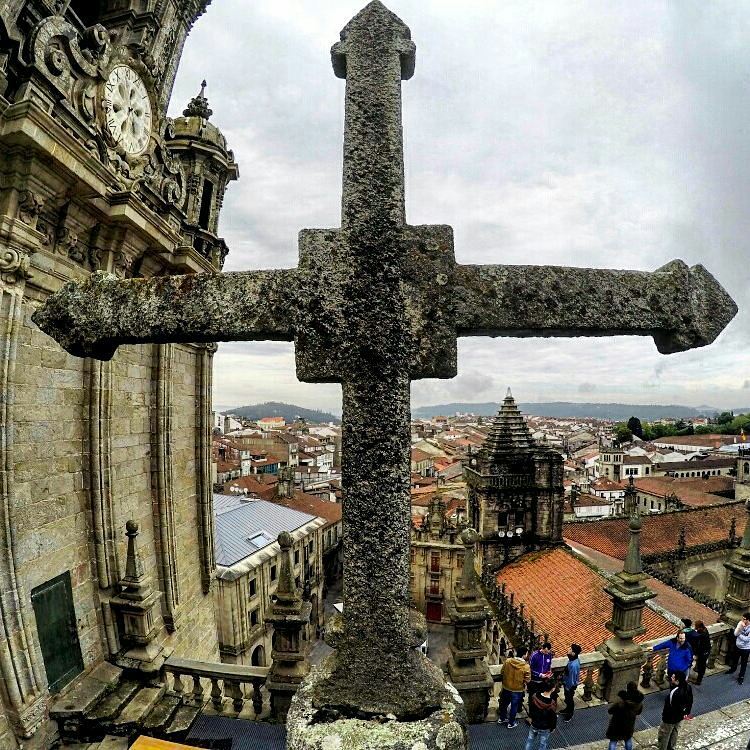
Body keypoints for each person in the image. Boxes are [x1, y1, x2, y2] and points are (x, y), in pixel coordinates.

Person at [658, 670, 693, 750]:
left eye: (673, 677)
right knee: (675, 732)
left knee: (664, 734)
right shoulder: (688, 687)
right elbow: (690, 701)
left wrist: (664, 717)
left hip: (670, 718)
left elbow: (669, 706)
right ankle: (671, 747)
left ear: (677, 681)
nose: (671, 678)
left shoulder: (675, 693)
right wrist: (686, 713)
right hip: (680, 716)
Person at [498, 644, 531, 729]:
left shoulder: (508, 661)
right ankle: (511, 723)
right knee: (514, 706)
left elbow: (502, 672)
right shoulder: (525, 666)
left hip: (506, 687)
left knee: (504, 704)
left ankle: (502, 718)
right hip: (517, 689)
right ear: (524, 655)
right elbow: (528, 680)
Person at [605, 681, 644, 750]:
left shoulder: (620, 702)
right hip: (629, 724)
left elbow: (610, 711)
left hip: (617, 724)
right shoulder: (638, 702)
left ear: (627, 689)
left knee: (613, 741)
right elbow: (638, 712)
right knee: (628, 739)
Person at [524, 678, 557, 750]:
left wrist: (531, 718)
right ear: (553, 689)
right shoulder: (551, 704)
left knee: (530, 741)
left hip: (534, 724)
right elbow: (553, 718)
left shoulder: (535, 696)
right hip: (545, 727)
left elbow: (531, 709)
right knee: (542, 744)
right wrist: (553, 727)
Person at [560, 643, 582, 722]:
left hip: (569, 685)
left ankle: (569, 714)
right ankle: (567, 710)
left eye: (570, 649)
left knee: (569, 700)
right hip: (568, 684)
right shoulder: (573, 659)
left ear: (573, 653)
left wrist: (568, 687)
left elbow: (572, 678)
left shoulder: (573, 665)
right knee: (567, 698)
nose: (568, 650)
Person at [727, 612, 750, 685]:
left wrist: (739, 634)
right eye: (742, 618)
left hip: (746, 648)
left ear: (748, 620)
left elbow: (747, 639)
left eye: (744, 619)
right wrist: (740, 628)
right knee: (735, 660)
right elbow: (735, 634)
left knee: (744, 663)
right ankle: (732, 669)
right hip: (737, 646)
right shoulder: (740, 623)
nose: (742, 620)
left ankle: (741, 677)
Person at [687, 620, 711, 685]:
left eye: (696, 626)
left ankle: (698, 681)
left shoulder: (701, 634)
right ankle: (698, 673)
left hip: (703, 652)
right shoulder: (705, 630)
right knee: (701, 664)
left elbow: (697, 643)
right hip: (706, 651)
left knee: (702, 665)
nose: (695, 628)